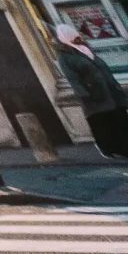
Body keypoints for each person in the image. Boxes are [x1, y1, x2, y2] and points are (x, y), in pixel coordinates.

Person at [52, 24, 128, 159]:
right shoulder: (65, 57)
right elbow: (72, 78)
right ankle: (110, 148)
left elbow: (102, 68)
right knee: (103, 123)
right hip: (94, 96)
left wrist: (114, 85)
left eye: (76, 35)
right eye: (73, 36)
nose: (77, 37)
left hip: (110, 92)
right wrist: (86, 95)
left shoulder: (85, 49)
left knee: (119, 119)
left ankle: (124, 146)